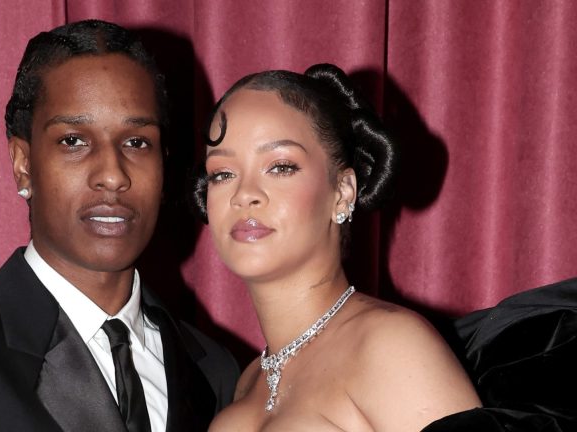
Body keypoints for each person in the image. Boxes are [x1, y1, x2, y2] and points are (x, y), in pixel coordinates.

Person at [0, 19, 239, 432]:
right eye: (74, 140)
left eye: (136, 142)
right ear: (23, 165)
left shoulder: (216, 372)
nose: (112, 175)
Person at [192, 64, 481, 431]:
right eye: (222, 173)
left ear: (343, 192)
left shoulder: (390, 347)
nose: (244, 194)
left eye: (280, 167)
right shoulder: (248, 381)